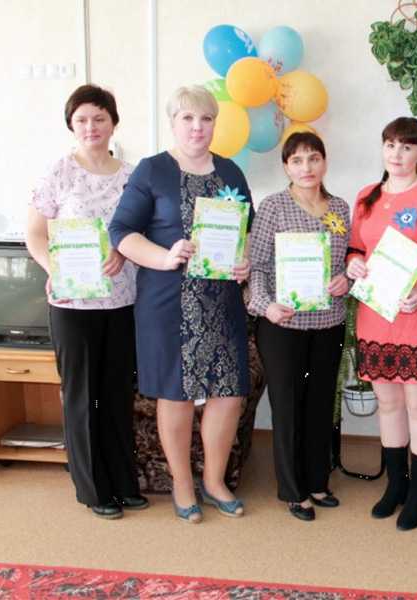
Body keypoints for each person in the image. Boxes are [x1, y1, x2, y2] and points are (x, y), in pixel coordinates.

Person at [109, 85, 253, 524]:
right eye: (187, 118)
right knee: (176, 394)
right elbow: (122, 231)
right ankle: (182, 484)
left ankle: (214, 481)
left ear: (214, 124)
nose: (197, 127)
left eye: (205, 119)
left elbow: (244, 230)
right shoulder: (152, 170)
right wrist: (165, 256)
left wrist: (244, 261)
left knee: (228, 393)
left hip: (222, 303)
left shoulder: (230, 171)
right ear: (173, 123)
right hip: (169, 304)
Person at [26, 84, 147, 519]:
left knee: (116, 394)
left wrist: (124, 251)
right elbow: (35, 234)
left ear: (113, 123)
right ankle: (94, 490)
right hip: (73, 305)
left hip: (122, 300)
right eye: (81, 120)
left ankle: (124, 483)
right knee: (83, 397)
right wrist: (54, 268)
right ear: (71, 125)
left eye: (99, 118)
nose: (91, 127)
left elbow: (142, 232)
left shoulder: (133, 176)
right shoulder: (57, 173)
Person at [347, 116, 417, 531]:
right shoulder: (366, 196)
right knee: (389, 404)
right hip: (376, 317)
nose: (397, 154)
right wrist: (354, 264)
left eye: (407, 147)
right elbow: (355, 249)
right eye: (390, 145)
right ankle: (396, 485)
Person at [247, 132, 350, 521]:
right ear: (286, 167)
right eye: (297, 160)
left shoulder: (339, 208)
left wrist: (346, 280)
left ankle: (318, 480)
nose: (306, 167)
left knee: (321, 404)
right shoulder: (273, 206)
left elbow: (347, 262)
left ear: (325, 162)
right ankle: (293, 490)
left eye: (313, 158)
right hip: (282, 325)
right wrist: (265, 306)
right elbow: (257, 266)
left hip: (328, 322)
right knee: (288, 407)